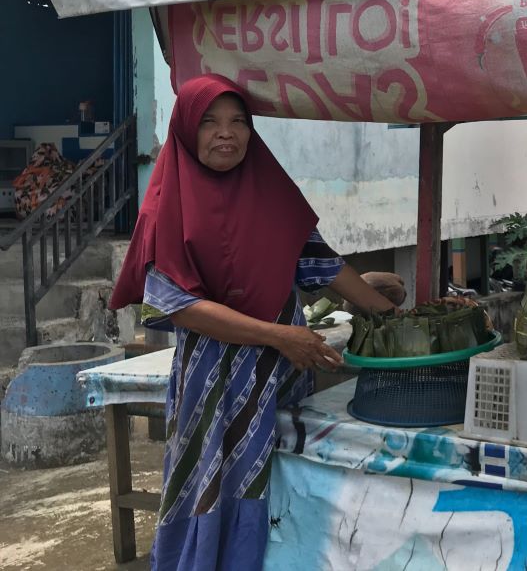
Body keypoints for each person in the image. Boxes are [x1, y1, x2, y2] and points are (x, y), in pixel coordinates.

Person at [109, 74, 398, 571]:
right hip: (214, 386)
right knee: (214, 485)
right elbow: (180, 305)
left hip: (284, 376)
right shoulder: (165, 209)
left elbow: (320, 264)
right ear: (185, 130)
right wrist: (278, 336)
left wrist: (392, 315)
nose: (227, 133)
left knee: (285, 488)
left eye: (238, 121)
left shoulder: (268, 191)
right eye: (210, 122)